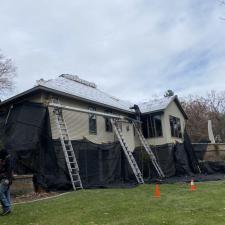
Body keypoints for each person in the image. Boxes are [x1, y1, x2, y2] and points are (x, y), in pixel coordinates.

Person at [0, 148, 13, 216]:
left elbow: (9, 170)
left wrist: (8, 179)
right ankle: (8, 209)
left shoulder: (8, 160)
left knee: (0, 192)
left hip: (5, 179)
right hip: (5, 179)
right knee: (6, 194)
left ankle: (7, 208)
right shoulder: (4, 159)